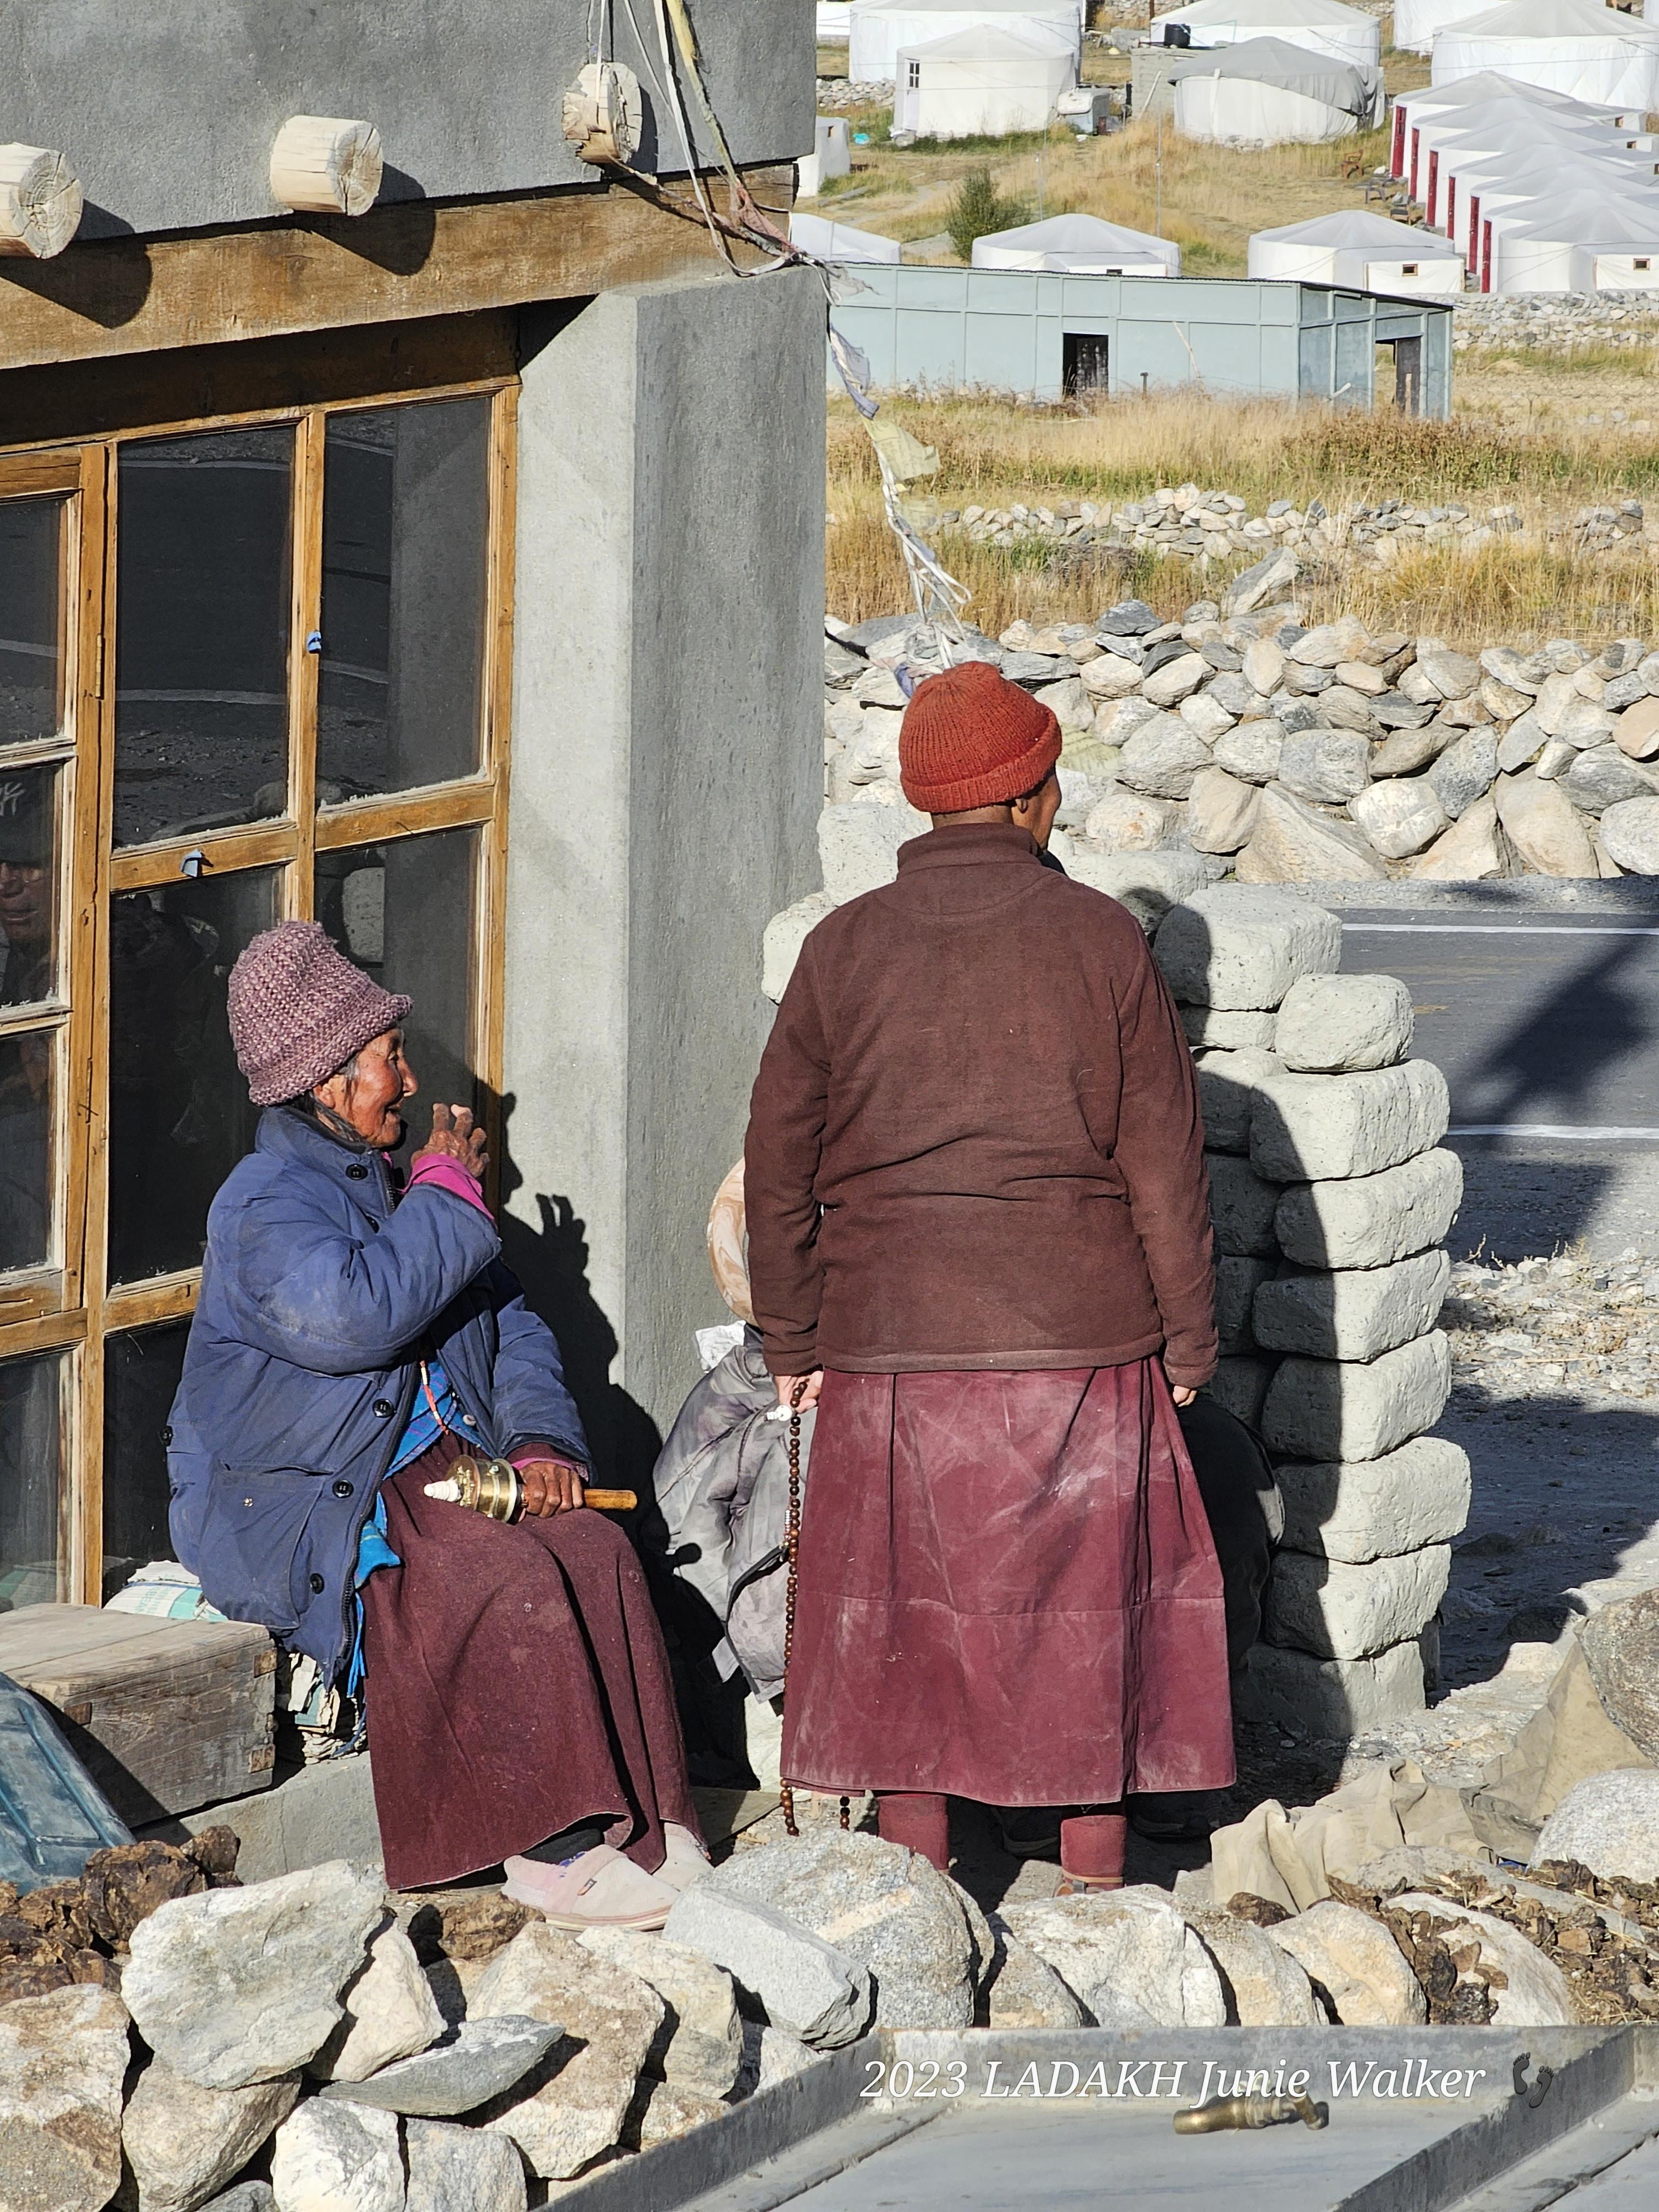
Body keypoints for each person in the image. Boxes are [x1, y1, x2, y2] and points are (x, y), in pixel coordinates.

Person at [743, 661, 1233, 1892]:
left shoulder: (843, 948)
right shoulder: (1102, 939)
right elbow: (1165, 1167)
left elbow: (777, 1160)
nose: (1058, 801)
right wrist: (1188, 1341)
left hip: (887, 1351)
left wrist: (793, 1341)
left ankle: (919, 1887)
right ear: (1025, 797)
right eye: (1053, 782)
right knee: (1084, 1622)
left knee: (908, 1622)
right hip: (1079, 1348)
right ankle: (1097, 1883)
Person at [167, 920, 704, 1928]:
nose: (409, 1082)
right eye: (390, 1058)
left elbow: (514, 1330)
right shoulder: (262, 1204)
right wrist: (451, 1198)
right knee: (493, 1578)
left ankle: (648, 1824)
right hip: (327, 1488)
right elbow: (354, 1316)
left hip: (452, 1461)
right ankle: (552, 1852)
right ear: (326, 1082)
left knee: (593, 1549)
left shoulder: (401, 1187)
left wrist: (541, 1447)